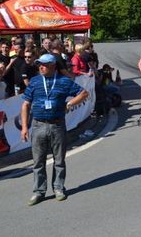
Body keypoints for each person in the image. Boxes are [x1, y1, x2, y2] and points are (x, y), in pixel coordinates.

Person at [20, 54, 88, 206]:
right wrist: (25, 127)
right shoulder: (35, 81)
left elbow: (83, 93)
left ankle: (58, 188)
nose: (40, 67)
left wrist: (69, 104)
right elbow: (25, 104)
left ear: (52, 65)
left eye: (43, 64)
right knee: (38, 161)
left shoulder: (64, 81)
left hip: (57, 125)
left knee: (59, 159)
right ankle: (38, 191)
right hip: (38, 125)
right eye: (39, 64)